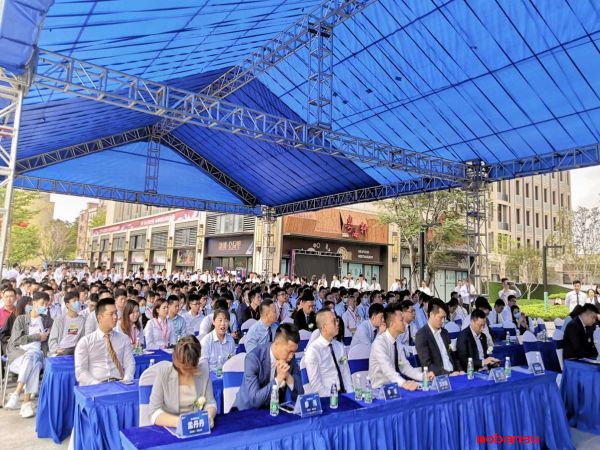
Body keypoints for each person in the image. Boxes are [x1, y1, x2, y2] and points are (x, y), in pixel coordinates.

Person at [148, 336, 217, 428]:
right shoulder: (164, 373)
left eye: (190, 368)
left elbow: (210, 402)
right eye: (183, 367)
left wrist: (209, 416)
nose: (186, 371)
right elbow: (154, 412)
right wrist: (180, 422)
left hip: (195, 426)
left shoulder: (203, 370)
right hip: (169, 426)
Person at [4, 292, 53, 417]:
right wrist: (37, 336)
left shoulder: (47, 320)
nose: (45, 306)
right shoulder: (21, 319)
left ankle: (16, 393)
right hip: (19, 357)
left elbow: (52, 339)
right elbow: (16, 340)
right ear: (34, 303)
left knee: (33, 355)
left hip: (39, 354)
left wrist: (47, 338)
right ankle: (26, 403)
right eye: (42, 303)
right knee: (34, 363)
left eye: (47, 304)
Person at [234, 323, 303, 410]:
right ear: (277, 344)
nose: (291, 356)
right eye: (289, 351)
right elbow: (255, 401)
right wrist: (278, 379)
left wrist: (288, 376)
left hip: (275, 410)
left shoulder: (291, 359)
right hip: (247, 411)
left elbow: (300, 394)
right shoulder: (254, 358)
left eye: (294, 352)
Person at [369, 303, 434, 390]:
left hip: (395, 386)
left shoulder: (397, 342)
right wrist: (404, 383)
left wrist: (423, 376)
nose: (405, 323)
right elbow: (388, 371)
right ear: (392, 323)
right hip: (379, 390)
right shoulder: (379, 343)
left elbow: (405, 367)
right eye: (401, 320)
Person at [74, 298, 135, 386]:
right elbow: (81, 372)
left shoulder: (124, 339)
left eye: (116, 313)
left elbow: (130, 363)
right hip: (95, 387)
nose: (115, 317)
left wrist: (126, 380)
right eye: (111, 314)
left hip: (119, 384)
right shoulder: (85, 342)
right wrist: (98, 385)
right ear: (100, 317)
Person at [303, 310, 353, 396]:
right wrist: (333, 398)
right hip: (327, 397)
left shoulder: (340, 347)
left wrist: (351, 394)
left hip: (344, 395)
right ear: (324, 327)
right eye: (334, 321)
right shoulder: (313, 351)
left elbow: (345, 372)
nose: (337, 323)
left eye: (337, 320)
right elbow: (316, 386)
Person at [415, 299, 463, 375]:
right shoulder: (422, 335)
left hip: (454, 374)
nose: (443, 321)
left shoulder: (444, 332)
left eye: (444, 317)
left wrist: (460, 370)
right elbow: (427, 365)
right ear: (431, 315)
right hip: (440, 377)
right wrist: (448, 374)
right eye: (441, 317)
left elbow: (453, 356)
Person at [48, 291, 85, 355]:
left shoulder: (83, 320)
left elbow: (84, 338)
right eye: (74, 301)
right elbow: (52, 339)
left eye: (78, 300)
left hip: (76, 350)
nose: (77, 303)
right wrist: (56, 349)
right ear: (67, 304)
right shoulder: (59, 320)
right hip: (62, 349)